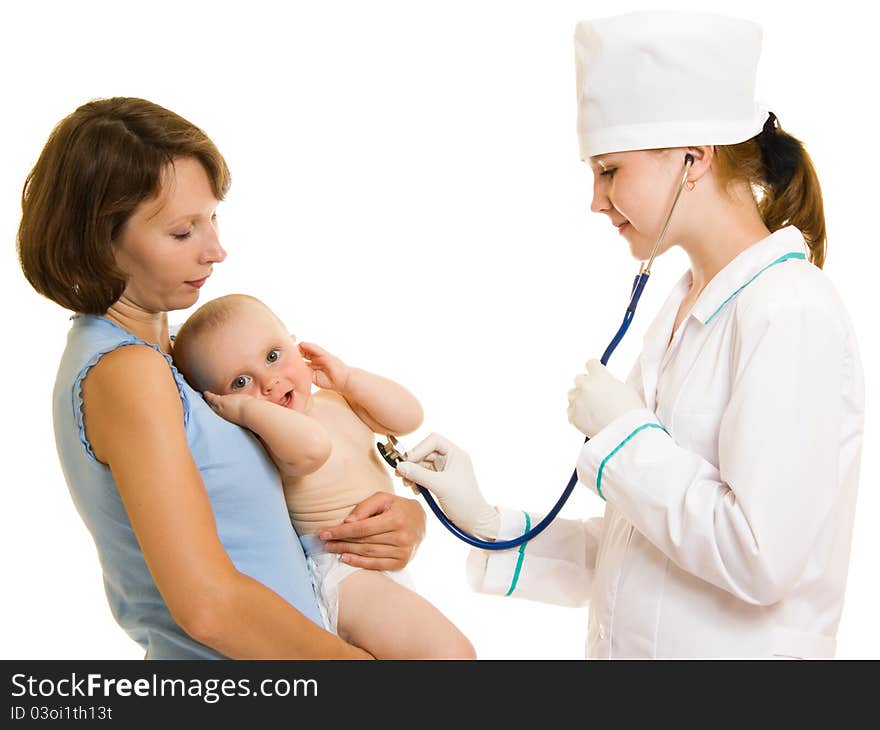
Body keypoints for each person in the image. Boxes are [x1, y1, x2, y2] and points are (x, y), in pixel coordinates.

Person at [393, 11, 865, 658]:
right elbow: (640, 545)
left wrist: (624, 437)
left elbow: (761, 557)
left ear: (692, 159)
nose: (594, 198)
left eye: (610, 170)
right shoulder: (684, 307)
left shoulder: (790, 311)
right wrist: (484, 520)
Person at [17, 97, 426, 659]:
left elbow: (257, 518)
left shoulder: (181, 358)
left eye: (213, 218)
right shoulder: (126, 373)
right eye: (183, 232)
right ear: (101, 241)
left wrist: (388, 522)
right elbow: (208, 605)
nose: (216, 250)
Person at [170, 293, 475, 659]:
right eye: (240, 382)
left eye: (273, 356)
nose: (269, 381)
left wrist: (346, 379)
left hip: (372, 568)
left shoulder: (337, 401)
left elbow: (407, 417)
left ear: (295, 342)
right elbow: (313, 448)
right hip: (342, 574)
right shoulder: (271, 436)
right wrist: (247, 412)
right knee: (450, 653)